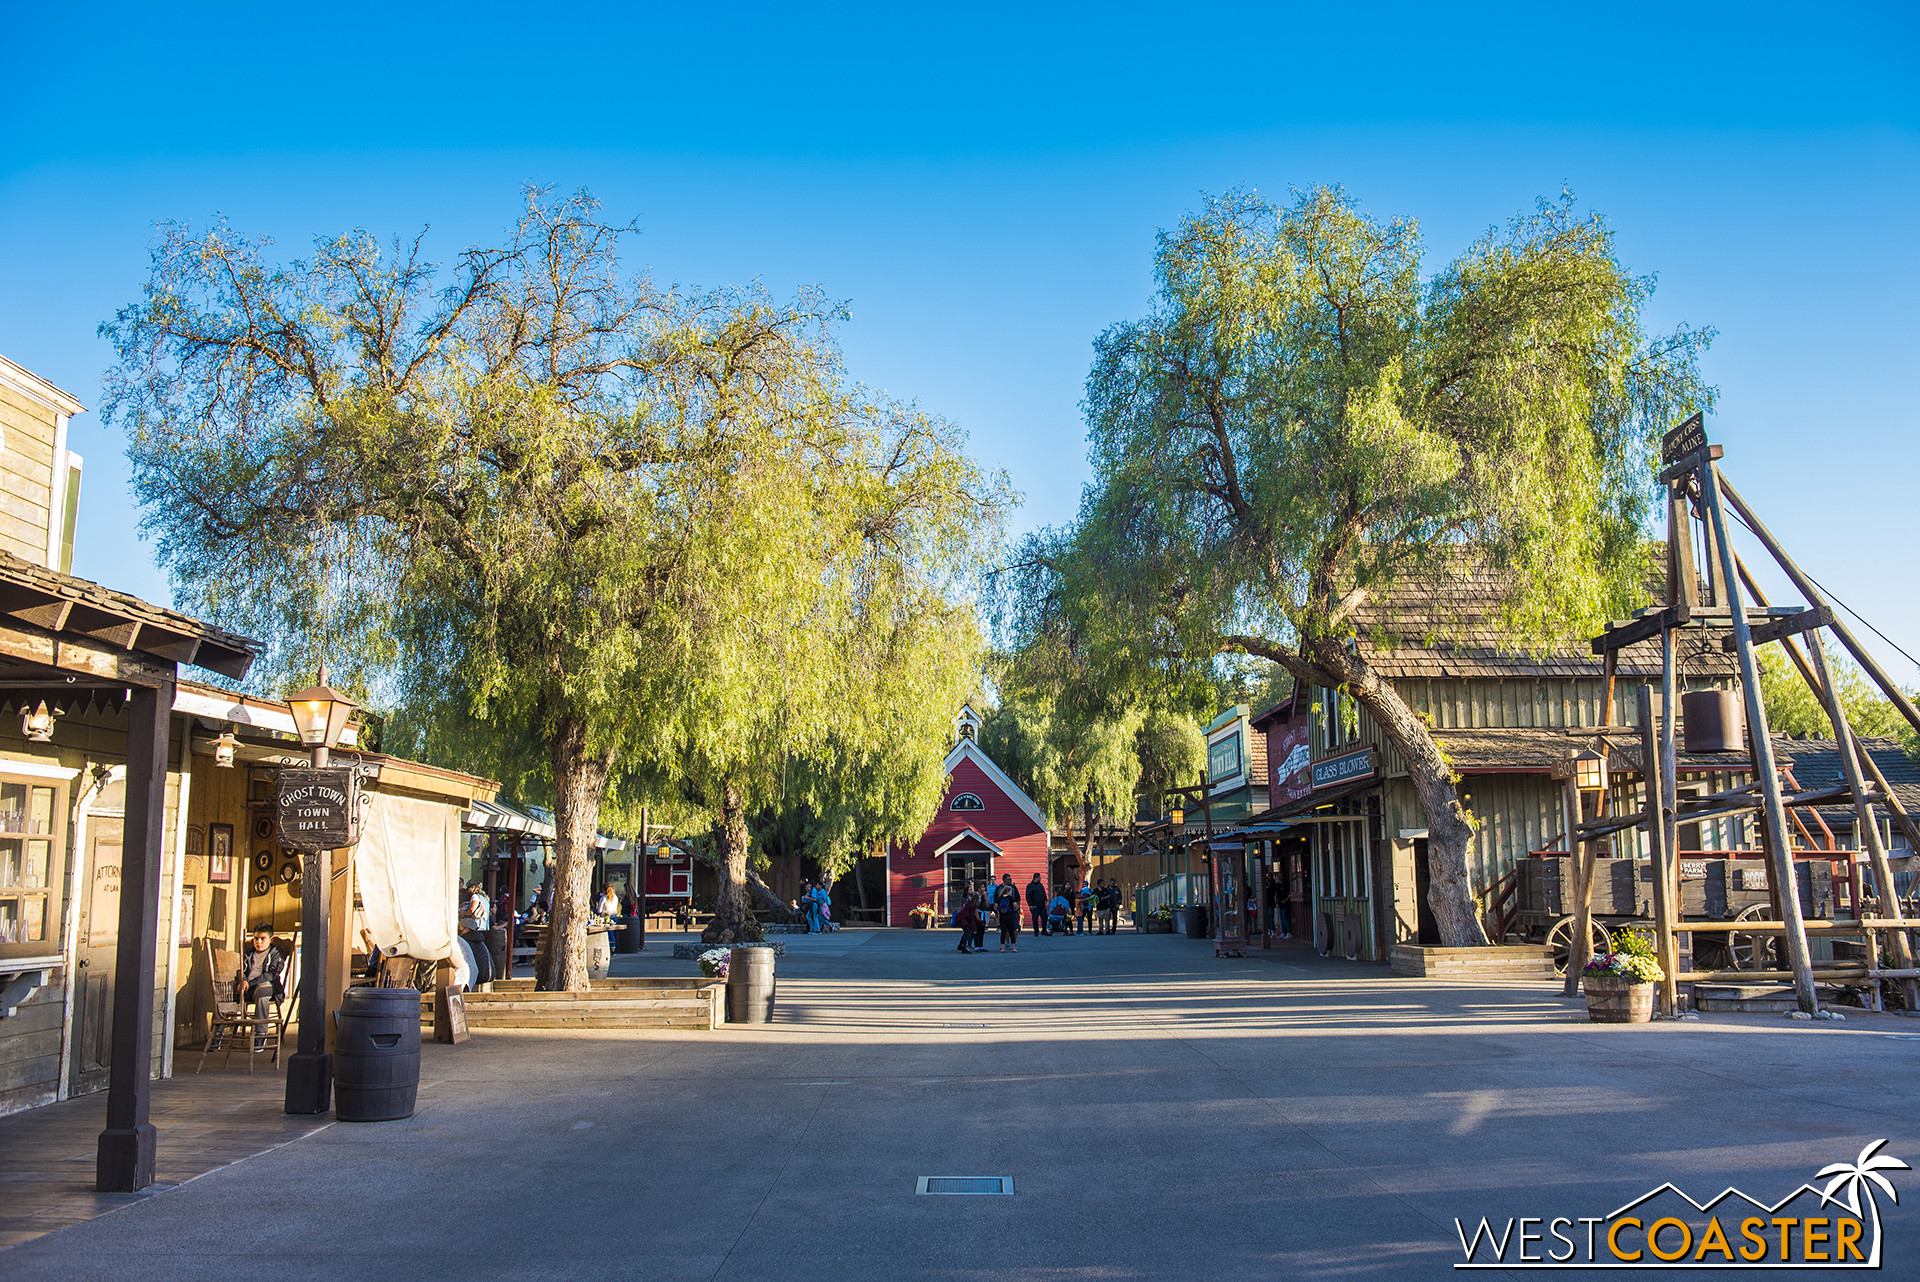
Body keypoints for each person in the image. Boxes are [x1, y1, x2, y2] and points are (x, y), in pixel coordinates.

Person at [236, 926, 287, 1049]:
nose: (258, 942)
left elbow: (271, 974)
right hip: (246, 986)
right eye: (256, 938)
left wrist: (250, 982)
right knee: (225, 991)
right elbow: (240, 969)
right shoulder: (248, 953)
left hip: (266, 985)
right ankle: (218, 1033)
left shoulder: (276, 953)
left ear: (271, 939)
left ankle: (260, 1034)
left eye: (262, 938)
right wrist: (242, 980)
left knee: (262, 991)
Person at [994, 874, 1021, 952]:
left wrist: (997, 911)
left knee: (1003, 931)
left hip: (1002, 915)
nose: (1010, 881)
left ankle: (1003, 947)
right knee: (1012, 929)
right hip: (1010, 914)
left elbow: (995, 905)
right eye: (1009, 879)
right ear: (1004, 880)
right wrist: (1017, 908)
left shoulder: (1000, 897)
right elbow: (1016, 903)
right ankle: (1013, 946)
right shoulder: (1010, 897)